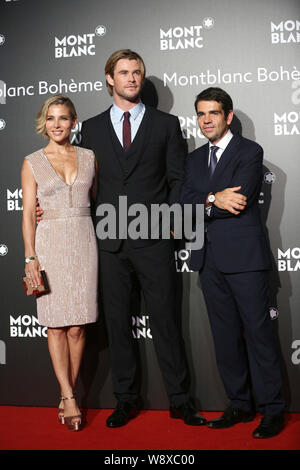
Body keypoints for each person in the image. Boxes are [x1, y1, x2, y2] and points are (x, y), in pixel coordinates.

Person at [75, 49, 205, 427]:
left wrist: (174, 220)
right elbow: (84, 183)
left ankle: (181, 400)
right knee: (117, 324)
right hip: (110, 242)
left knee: (166, 322)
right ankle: (126, 399)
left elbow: (179, 179)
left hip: (154, 239)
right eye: (124, 72)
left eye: (137, 72)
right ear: (109, 79)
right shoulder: (92, 128)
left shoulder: (166, 125)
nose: (131, 78)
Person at [180, 87, 285, 438]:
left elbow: (237, 201)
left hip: (244, 260)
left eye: (213, 113)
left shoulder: (249, 151)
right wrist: (212, 197)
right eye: (200, 114)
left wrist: (204, 202)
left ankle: (272, 409)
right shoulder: (193, 160)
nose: (206, 120)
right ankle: (239, 403)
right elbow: (183, 204)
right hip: (207, 260)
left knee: (259, 336)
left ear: (228, 116)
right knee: (224, 339)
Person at [22, 95, 98, 431]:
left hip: (83, 241)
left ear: (73, 121)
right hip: (49, 243)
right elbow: (28, 213)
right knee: (55, 325)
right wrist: (30, 256)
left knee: (79, 326)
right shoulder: (32, 161)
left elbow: (95, 200)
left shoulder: (89, 157)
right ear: (44, 122)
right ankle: (68, 396)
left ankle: (68, 390)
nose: (57, 124)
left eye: (63, 118)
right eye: (51, 118)